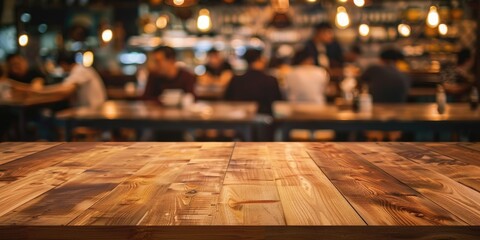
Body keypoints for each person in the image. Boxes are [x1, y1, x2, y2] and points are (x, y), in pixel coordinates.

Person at [360, 48, 411, 141]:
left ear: (381, 59)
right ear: (398, 61)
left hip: (374, 120)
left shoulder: (374, 69)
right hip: (397, 121)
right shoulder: (404, 75)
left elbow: (361, 81)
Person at [224, 48, 282, 115]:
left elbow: (226, 100)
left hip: (240, 119)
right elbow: (278, 102)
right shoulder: (271, 81)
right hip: (265, 121)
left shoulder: (236, 80)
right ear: (259, 59)